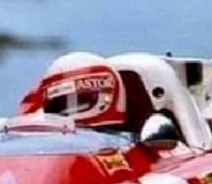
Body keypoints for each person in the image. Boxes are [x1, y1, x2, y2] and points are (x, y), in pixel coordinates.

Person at [17, 52, 155, 135]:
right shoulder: (47, 144)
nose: (69, 110)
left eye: (78, 101)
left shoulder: (139, 144)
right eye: (60, 104)